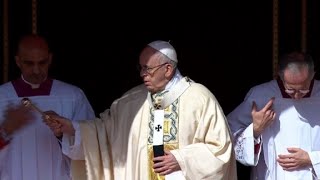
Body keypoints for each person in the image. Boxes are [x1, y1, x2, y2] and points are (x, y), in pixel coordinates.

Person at [46, 40, 237, 180]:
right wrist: (71, 128)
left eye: (147, 69)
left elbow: (220, 150)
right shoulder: (131, 102)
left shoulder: (200, 99)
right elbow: (105, 133)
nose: (142, 74)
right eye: (141, 68)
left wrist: (181, 159)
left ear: (168, 69)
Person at [0, 34, 95, 180]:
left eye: (42, 63)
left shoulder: (72, 96)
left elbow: (92, 144)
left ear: (50, 59)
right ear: (18, 61)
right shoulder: (2, 96)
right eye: (29, 63)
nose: (36, 70)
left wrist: (63, 132)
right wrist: (5, 130)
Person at [227, 51, 320, 179]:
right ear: (280, 76)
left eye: (303, 89)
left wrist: (313, 159)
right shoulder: (260, 95)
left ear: (313, 75)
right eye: (291, 89)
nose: (297, 95)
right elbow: (227, 134)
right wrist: (255, 130)